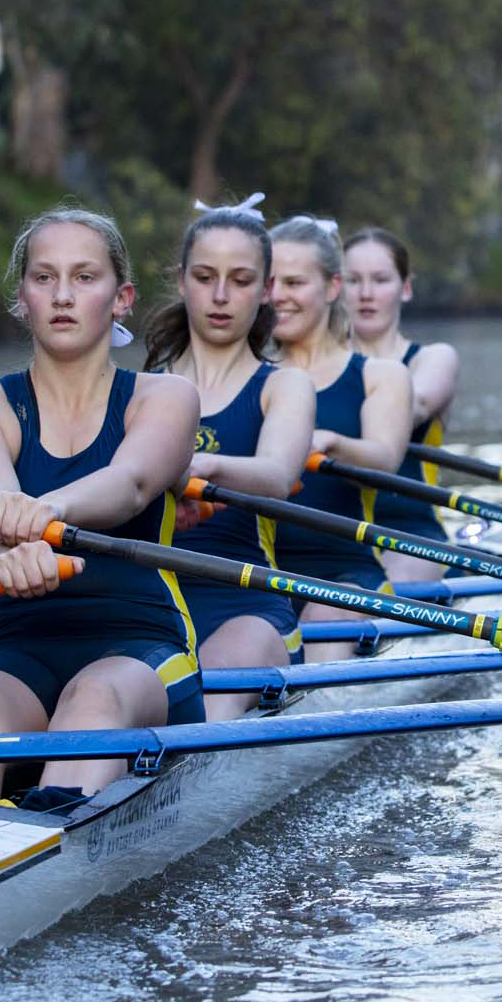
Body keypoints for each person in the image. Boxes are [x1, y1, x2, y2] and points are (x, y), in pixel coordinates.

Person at [0, 205, 202, 812]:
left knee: (94, 695)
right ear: (21, 298)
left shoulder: (166, 398)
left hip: (142, 648)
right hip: (16, 646)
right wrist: (8, 541)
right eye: (44, 278)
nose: (63, 296)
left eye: (84, 277)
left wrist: (39, 514)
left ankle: (44, 845)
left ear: (122, 296)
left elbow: (130, 483)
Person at [144, 197, 316, 720]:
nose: (220, 296)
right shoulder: (139, 388)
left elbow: (278, 475)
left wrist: (200, 468)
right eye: (204, 276)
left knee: (202, 704)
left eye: (241, 281)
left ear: (266, 291)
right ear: (181, 281)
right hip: (150, 608)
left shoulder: (283, 385)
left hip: (247, 611)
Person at [265, 214, 414, 662]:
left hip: (344, 572)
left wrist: (330, 442)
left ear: (332, 288)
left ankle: (317, 724)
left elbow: (385, 457)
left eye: (293, 282)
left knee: (324, 618)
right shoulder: (247, 376)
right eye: (267, 281)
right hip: (251, 575)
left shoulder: (380, 376)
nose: (276, 296)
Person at [342, 226, 460, 586]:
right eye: (352, 280)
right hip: (331, 530)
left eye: (380, 280)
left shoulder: (434, 358)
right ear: (334, 288)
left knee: (385, 589)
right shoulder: (307, 365)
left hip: (409, 531)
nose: (366, 294)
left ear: (405, 288)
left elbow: (416, 404)